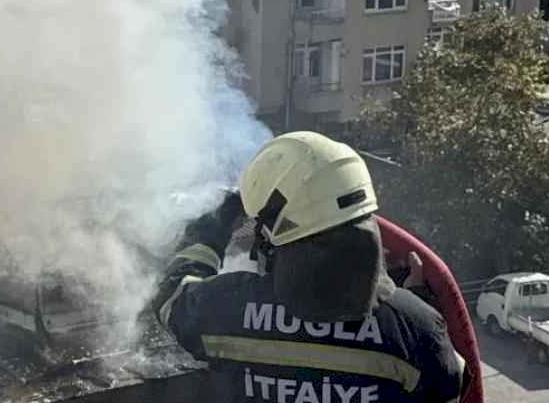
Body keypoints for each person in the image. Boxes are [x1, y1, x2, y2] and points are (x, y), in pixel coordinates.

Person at [150, 132, 465, 403]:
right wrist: (416, 302)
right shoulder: (418, 328)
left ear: (274, 236)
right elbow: (450, 387)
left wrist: (211, 229)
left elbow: (171, 298)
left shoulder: (228, 309)